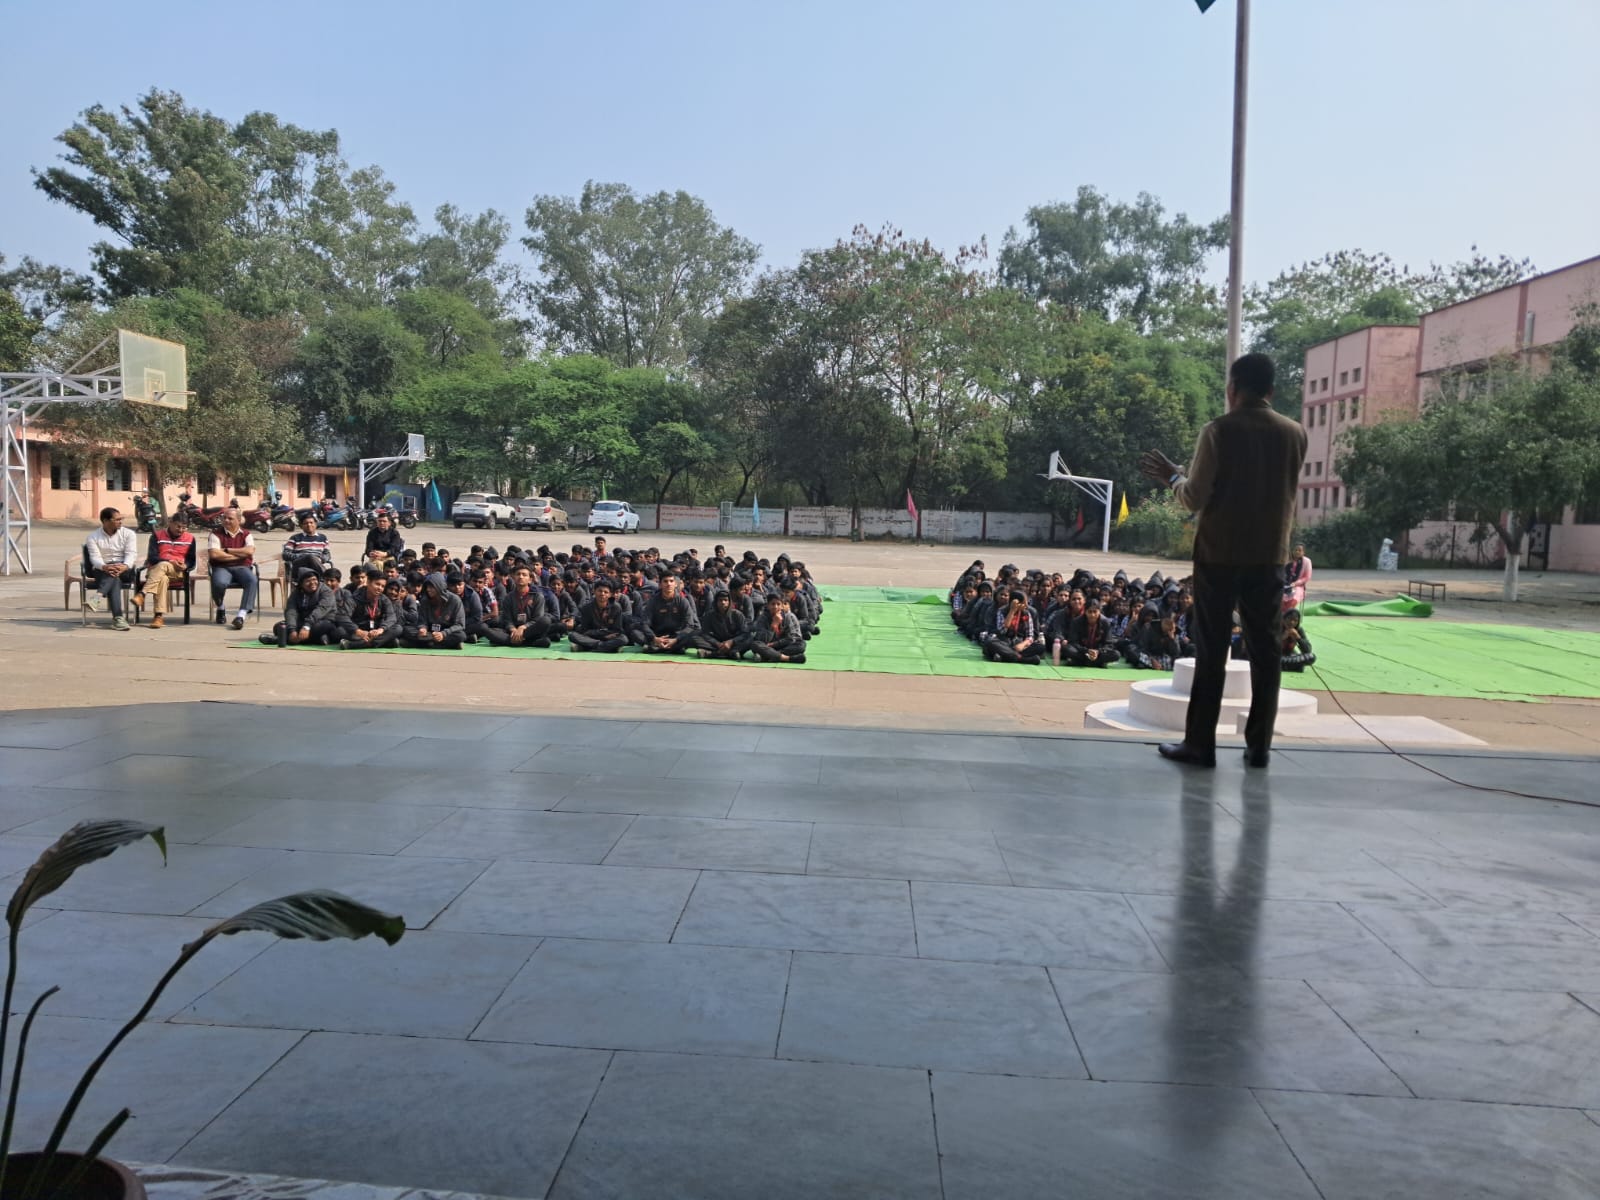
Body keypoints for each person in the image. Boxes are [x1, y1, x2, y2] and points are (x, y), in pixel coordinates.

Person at [1141, 352, 1308, 768]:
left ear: (1232, 389)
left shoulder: (1218, 430)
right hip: (1270, 557)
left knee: (1213, 651)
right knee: (1266, 652)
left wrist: (1174, 477)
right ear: (1271, 390)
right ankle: (1259, 747)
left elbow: (1195, 496)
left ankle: (1200, 744)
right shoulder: (1295, 433)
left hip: (1220, 557)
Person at [136, 511, 196, 630]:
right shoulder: (157, 536)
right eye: (178, 526)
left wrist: (186, 566)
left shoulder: (190, 538)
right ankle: (158, 617)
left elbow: (191, 561)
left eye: (184, 527)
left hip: (177, 572)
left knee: (163, 566)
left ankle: (143, 593)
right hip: (156, 570)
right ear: (170, 523)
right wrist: (170, 561)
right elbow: (152, 558)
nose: (181, 530)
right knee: (162, 578)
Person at [84, 506, 139, 631]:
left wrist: (124, 566)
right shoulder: (93, 537)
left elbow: (131, 554)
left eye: (121, 519)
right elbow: (95, 557)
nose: (121, 521)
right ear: (105, 521)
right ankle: (118, 619)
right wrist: (105, 566)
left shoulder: (129, 534)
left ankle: (97, 598)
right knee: (114, 579)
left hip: (125, 568)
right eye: (117, 519)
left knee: (114, 575)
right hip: (103, 569)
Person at [208, 507, 258, 629]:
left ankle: (241, 616)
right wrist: (238, 556)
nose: (226, 520)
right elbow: (214, 554)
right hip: (221, 567)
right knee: (219, 583)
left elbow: (249, 551)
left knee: (252, 580)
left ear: (239, 520)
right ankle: (220, 607)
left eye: (230, 518)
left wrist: (227, 550)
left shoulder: (246, 534)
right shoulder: (215, 534)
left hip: (242, 567)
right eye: (224, 518)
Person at [262, 566, 340, 645]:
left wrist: (307, 626)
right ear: (301, 584)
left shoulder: (326, 591)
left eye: (314, 579)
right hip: (302, 622)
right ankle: (317, 639)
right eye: (308, 581)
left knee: (319, 628)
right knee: (279, 627)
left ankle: (281, 640)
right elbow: (291, 611)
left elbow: (321, 609)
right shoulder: (296, 593)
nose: (312, 583)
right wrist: (292, 630)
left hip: (323, 621)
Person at [337, 570, 400, 649]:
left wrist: (381, 629)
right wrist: (358, 631)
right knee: (340, 631)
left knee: (398, 628)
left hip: (376, 631)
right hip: (359, 630)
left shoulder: (384, 599)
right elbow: (343, 616)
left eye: (382, 586)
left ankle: (354, 645)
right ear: (368, 582)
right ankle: (384, 642)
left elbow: (391, 616)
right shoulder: (354, 598)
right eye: (377, 584)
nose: (380, 588)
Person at [638, 574, 699, 654]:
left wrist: (676, 639)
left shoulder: (682, 601)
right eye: (665, 581)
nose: (669, 584)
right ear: (660, 584)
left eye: (671, 581)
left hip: (677, 635)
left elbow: (690, 625)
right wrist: (654, 638)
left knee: (697, 633)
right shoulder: (653, 601)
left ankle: (658, 648)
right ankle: (668, 647)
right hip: (657, 635)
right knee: (635, 631)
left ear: (675, 584)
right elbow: (645, 623)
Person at [402, 573, 466, 649]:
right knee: (406, 630)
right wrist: (423, 628)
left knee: (461, 635)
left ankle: (424, 644)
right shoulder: (425, 600)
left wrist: (443, 634)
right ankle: (439, 644)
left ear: (439, 586)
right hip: (430, 631)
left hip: (446, 630)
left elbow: (460, 624)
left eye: (431, 587)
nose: (428, 589)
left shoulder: (455, 600)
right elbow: (422, 620)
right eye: (427, 587)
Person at [569, 578, 631, 653]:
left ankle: (587, 647)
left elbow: (617, 630)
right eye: (600, 591)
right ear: (594, 591)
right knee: (572, 635)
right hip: (593, 637)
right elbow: (585, 630)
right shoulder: (586, 608)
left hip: (609, 637)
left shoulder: (616, 607)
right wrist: (602, 635)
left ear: (610, 594)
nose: (602, 594)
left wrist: (605, 635)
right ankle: (606, 647)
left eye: (606, 592)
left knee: (623, 639)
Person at [692, 588, 747, 659]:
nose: (723, 602)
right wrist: (717, 643)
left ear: (729, 602)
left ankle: (712, 653)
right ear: (716, 602)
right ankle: (730, 653)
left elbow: (745, 633)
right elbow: (705, 633)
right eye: (720, 600)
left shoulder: (738, 615)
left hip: (733, 642)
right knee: (695, 637)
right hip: (716, 642)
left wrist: (731, 641)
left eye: (725, 600)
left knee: (750, 638)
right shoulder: (709, 615)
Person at [1283, 542, 1313, 610]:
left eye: (1299, 550)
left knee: (1294, 596)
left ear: (1303, 552)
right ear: (1292, 551)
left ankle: (1287, 614)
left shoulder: (1307, 561)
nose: (1297, 552)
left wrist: (1295, 583)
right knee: (1279, 595)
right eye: (1295, 550)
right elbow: (1282, 573)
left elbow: (1307, 577)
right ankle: (1282, 614)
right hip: (1285, 584)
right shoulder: (1287, 560)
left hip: (1298, 586)